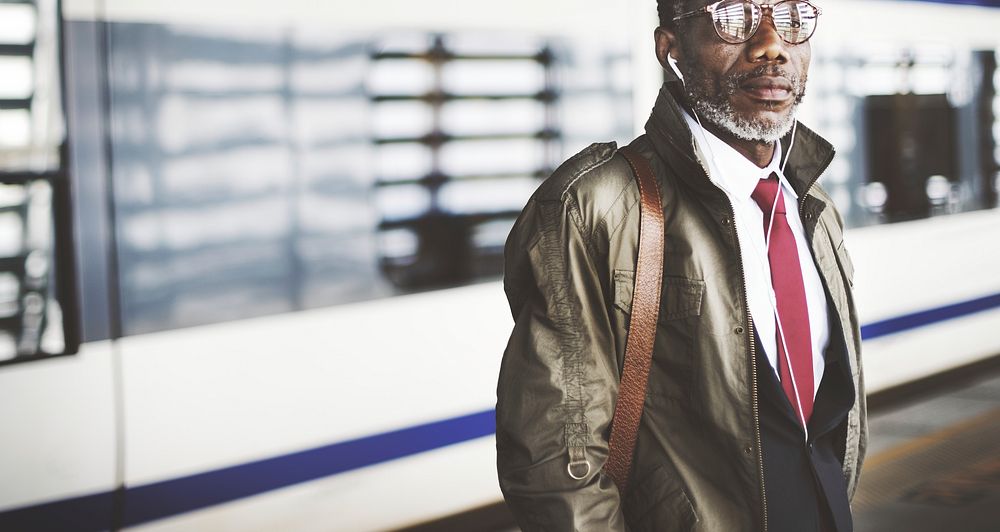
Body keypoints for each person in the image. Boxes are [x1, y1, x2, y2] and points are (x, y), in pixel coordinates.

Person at [495, 1, 866, 531]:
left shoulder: (814, 207)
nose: (771, 44)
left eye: (790, 17)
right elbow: (556, 464)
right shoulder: (599, 206)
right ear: (670, 48)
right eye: (733, 16)